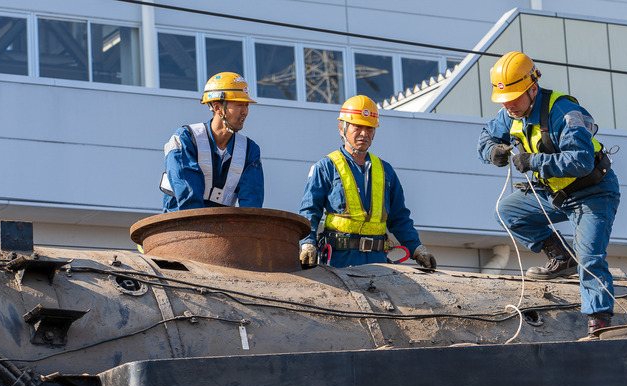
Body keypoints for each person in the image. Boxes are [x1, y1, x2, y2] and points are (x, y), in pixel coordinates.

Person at [477, 51, 620, 336]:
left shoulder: (563, 112)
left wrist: (534, 162)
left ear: (532, 88)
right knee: (505, 213)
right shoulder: (510, 113)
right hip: (555, 195)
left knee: (590, 259)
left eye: (514, 98)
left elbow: (580, 161)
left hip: (593, 193)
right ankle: (561, 256)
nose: (509, 106)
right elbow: (486, 136)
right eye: (504, 101)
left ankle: (600, 322)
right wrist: (491, 151)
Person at [298, 95, 435, 269]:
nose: (364, 133)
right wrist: (307, 243)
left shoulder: (386, 171)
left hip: (378, 262)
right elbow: (309, 211)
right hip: (339, 260)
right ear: (342, 128)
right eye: (358, 126)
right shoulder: (326, 167)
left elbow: (399, 217)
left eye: (369, 128)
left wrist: (417, 249)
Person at [161, 72, 264, 212]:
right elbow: (188, 198)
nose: (245, 112)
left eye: (247, 105)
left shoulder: (250, 150)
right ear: (217, 107)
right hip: (181, 226)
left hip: (222, 228)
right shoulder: (186, 139)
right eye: (239, 105)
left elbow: (251, 205)